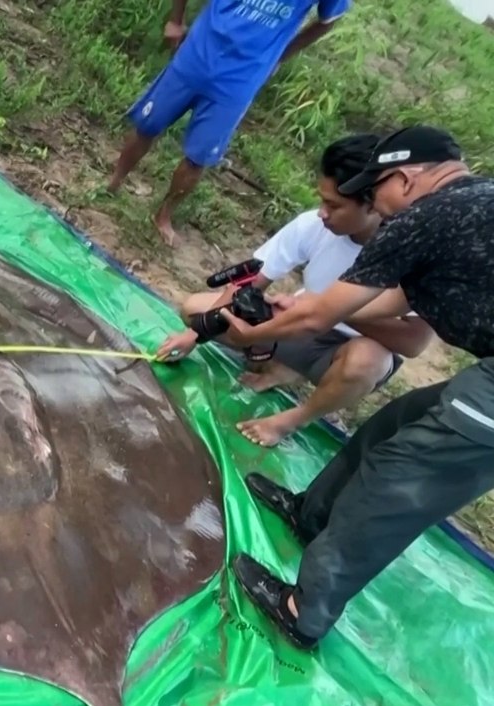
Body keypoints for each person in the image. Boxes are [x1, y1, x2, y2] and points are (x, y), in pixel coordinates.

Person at [211, 125, 494, 650]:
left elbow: (337, 316)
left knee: (398, 478)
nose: (374, 200)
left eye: (377, 186)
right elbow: (376, 304)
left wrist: (261, 331)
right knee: (398, 421)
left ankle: (304, 610)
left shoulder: (428, 216)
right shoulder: (469, 208)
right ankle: (309, 514)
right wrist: (308, 308)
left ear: (406, 179)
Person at [155, 134, 435, 447]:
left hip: (347, 347)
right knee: (195, 309)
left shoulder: (411, 252)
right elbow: (250, 280)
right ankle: (283, 368)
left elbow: (413, 343)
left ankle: (290, 420)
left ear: (374, 204)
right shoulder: (313, 226)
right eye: (322, 200)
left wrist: (330, 311)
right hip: (299, 323)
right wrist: (197, 333)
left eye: (334, 205)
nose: (322, 213)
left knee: (367, 362)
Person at [107, 0, 351, 246]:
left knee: (198, 157)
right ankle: (113, 183)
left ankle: (163, 215)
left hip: (241, 78)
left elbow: (326, 21)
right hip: (195, 55)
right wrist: (175, 19)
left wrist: (279, 56)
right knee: (147, 126)